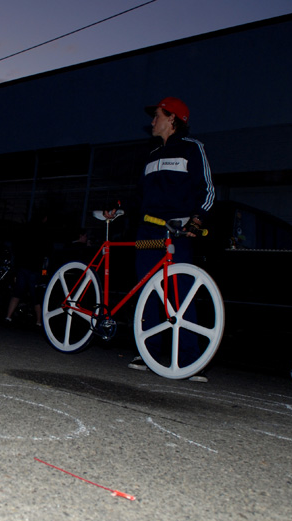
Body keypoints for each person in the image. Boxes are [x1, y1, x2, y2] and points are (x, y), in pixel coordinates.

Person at [121, 97, 214, 380]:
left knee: (180, 295)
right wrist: (121, 208)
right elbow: (139, 197)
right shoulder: (151, 156)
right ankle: (147, 353)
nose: (152, 121)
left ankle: (189, 360)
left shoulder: (192, 149)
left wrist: (197, 221)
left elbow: (207, 190)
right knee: (148, 291)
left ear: (172, 119)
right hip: (147, 231)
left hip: (176, 231)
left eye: (157, 116)